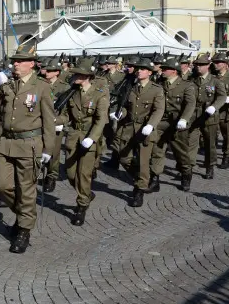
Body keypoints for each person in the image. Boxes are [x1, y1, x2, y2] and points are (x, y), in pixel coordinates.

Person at [0, 44, 54, 253]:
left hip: (29, 145)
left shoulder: (41, 87)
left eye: (19, 61)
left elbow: (49, 120)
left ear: (31, 64)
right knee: (2, 186)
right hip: (7, 143)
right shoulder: (8, 84)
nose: (15, 64)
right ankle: (25, 215)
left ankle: (24, 230)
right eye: (14, 61)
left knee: (26, 190)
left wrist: (48, 149)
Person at [61, 58, 109, 225]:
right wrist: (54, 121)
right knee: (70, 173)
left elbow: (101, 119)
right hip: (74, 136)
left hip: (89, 137)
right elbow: (66, 115)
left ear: (87, 76)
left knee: (83, 174)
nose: (74, 77)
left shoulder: (99, 93)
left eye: (78, 74)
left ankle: (82, 206)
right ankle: (86, 194)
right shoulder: (72, 92)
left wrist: (91, 138)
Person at [112, 58, 164, 207]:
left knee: (142, 161)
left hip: (145, 129)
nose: (139, 71)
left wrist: (151, 125)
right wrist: (120, 112)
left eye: (142, 69)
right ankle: (144, 178)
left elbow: (159, 109)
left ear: (149, 72)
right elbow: (126, 106)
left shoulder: (156, 89)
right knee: (124, 158)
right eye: (138, 69)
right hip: (129, 128)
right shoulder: (131, 87)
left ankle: (139, 190)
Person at [151, 57, 197, 192]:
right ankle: (155, 178)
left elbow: (190, 104)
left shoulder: (186, 85)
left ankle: (186, 174)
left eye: (165, 69)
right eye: (162, 68)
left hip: (177, 123)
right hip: (162, 122)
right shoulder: (159, 83)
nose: (162, 70)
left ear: (174, 71)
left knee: (181, 152)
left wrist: (184, 119)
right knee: (157, 150)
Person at [189, 53, 227, 181]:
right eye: (197, 65)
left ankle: (210, 166)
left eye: (201, 65)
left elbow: (222, 96)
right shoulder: (192, 80)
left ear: (208, 66)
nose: (198, 67)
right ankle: (188, 168)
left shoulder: (215, 81)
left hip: (209, 117)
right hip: (194, 116)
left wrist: (214, 107)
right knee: (191, 143)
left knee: (210, 144)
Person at [44, 58, 70, 192]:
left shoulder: (64, 87)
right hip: (41, 122)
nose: (46, 72)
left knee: (54, 152)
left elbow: (66, 109)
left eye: (49, 70)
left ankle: (52, 176)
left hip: (55, 124)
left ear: (57, 72)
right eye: (46, 70)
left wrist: (60, 122)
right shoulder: (41, 84)